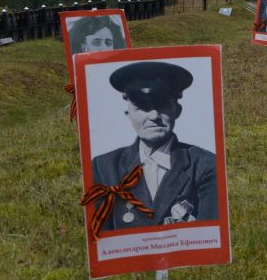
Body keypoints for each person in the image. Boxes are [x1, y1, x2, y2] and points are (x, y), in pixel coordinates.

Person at [89, 61, 218, 230]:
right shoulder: (103, 167)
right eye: (142, 106)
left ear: (177, 111)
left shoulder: (206, 163)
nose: (154, 115)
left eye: (163, 105)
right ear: (129, 114)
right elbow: (101, 240)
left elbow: (209, 239)